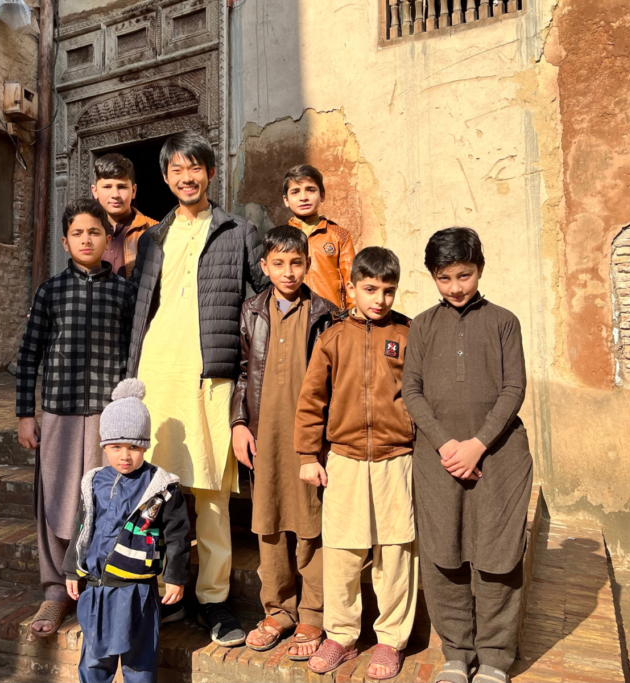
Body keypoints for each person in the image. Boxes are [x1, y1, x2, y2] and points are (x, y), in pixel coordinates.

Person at [127, 131, 269, 646]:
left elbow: (266, 296)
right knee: (154, 491)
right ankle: (160, 592)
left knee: (211, 495)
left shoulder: (238, 230)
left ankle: (214, 599)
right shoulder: (152, 239)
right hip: (157, 374)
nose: (186, 178)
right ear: (165, 178)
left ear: (210, 172)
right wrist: (130, 380)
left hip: (212, 376)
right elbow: (139, 311)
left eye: (195, 168)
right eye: (176, 171)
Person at [402, 228, 533, 683]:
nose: (456, 287)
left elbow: (514, 387)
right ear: (432, 277)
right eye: (445, 278)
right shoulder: (422, 325)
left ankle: (495, 656)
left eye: (465, 275)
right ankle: (456, 652)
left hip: (499, 457)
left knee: (498, 555)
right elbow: (411, 391)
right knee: (444, 554)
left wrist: (477, 444)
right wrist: (445, 444)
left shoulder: (503, 322)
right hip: (438, 461)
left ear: (480, 269)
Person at [295, 247, 419, 681]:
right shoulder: (333, 338)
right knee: (342, 553)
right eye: (370, 289)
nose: (379, 299)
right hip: (344, 458)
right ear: (351, 288)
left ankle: (390, 640)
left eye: (388, 290)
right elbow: (312, 400)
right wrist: (308, 455)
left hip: (396, 458)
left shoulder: (408, 334)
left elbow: (421, 396)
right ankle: (342, 635)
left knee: (396, 551)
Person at [15, 198, 136, 637]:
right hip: (60, 412)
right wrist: (25, 414)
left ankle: (98, 583)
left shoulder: (124, 292)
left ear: (108, 239)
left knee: (105, 500)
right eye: (78, 233)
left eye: (95, 232)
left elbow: (134, 353)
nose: (87, 240)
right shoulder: (50, 291)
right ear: (65, 242)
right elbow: (29, 356)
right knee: (56, 499)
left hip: (108, 416)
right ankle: (55, 591)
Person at [230, 226, 340, 659]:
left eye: (296, 263)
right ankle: (278, 610)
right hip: (265, 434)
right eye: (278, 263)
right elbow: (242, 371)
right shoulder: (252, 311)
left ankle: (313, 611)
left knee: (311, 522)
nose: (288, 272)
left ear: (308, 265)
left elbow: (335, 380)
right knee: (269, 520)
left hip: (309, 437)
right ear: (264, 266)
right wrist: (239, 422)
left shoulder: (324, 314)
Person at [64, 378, 190, 683]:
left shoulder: (160, 487)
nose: (124, 455)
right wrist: (71, 570)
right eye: (116, 447)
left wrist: (175, 577)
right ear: (104, 446)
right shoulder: (94, 482)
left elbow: (177, 536)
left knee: (140, 661)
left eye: (133, 447)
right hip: (98, 588)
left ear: (145, 445)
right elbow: (82, 527)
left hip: (138, 592)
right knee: (94, 660)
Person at [283, 164, 356, 310]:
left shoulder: (339, 235)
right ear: (286, 200)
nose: (303, 197)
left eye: (310, 190)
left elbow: (352, 282)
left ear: (322, 195)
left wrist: (352, 316)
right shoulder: (280, 237)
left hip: (332, 316)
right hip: (292, 315)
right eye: (295, 192)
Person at [91, 153, 158, 279]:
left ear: (133, 191)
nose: (115, 194)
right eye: (107, 187)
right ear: (95, 191)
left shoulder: (154, 230)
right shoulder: (85, 231)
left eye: (122, 187)